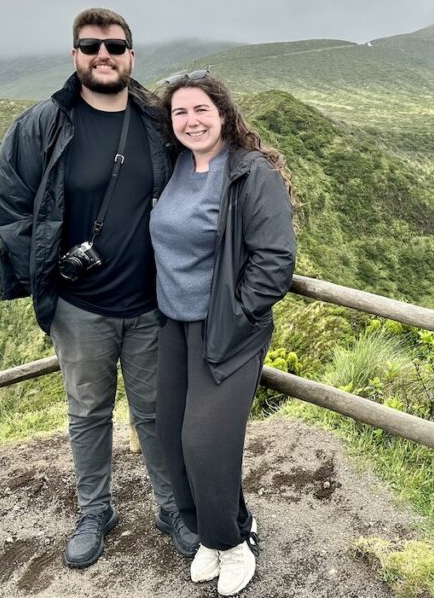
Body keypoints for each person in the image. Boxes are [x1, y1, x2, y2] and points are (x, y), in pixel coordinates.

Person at [0, 8, 198, 568]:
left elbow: (201, 173)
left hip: (152, 301)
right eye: (90, 46)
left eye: (114, 46)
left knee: (157, 412)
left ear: (131, 55)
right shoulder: (45, 124)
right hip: (80, 306)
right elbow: (11, 204)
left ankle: (173, 508)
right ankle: (94, 509)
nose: (102, 55)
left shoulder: (157, 122)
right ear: (74, 56)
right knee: (88, 411)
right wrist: (46, 269)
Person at [150, 70, 296, 596]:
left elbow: (275, 258)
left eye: (201, 110)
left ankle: (235, 544)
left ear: (224, 114)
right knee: (171, 437)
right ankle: (216, 533)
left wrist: (236, 314)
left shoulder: (249, 172)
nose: (191, 121)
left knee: (205, 442)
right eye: (180, 112)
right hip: (174, 327)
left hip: (228, 332)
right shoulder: (172, 168)